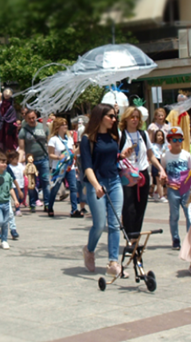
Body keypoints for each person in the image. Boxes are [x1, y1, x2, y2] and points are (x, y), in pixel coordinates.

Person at [80, 104, 126, 277]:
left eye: (115, 117)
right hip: (96, 183)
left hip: (114, 181)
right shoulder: (88, 139)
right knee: (99, 225)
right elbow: (87, 166)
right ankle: (89, 250)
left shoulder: (114, 136)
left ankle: (113, 262)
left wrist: (122, 155)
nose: (114, 120)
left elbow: (111, 157)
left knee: (115, 224)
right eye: (111, 116)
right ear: (100, 117)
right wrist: (96, 185)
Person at [119, 107, 166, 241]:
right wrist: (122, 155)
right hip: (127, 174)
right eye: (132, 117)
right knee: (129, 209)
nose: (135, 120)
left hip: (142, 173)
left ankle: (135, 238)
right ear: (126, 118)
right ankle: (130, 238)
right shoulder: (121, 135)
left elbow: (151, 155)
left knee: (140, 207)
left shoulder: (143, 134)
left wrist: (161, 169)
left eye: (137, 117)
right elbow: (116, 156)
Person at [162, 126, 191, 250]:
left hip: (186, 189)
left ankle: (190, 238)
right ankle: (175, 239)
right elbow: (163, 169)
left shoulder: (186, 155)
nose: (177, 142)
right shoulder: (166, 156)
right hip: (172, 189)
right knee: (174, 215)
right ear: (169, 141)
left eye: (179, 140)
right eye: (173, 140)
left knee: (189, 214)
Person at [46, 117, 81, 218]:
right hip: (59, 167)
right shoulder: (54, 140)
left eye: (66, 124)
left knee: (73, 187)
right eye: (63, 124)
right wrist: (59, 157)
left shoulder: (69, 139)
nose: (65, 126)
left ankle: (74, 210)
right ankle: (50, 206)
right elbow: (50, 154)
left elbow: (73, 151)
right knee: (55, 188)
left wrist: (78, 149)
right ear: (57, 127)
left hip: (70, 166)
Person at [18, 110, 50, 211]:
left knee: (45, 181)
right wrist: (19, 162)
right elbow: (21, 148)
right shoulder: (23, 131)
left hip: (44, 158)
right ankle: (32, 203)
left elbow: (50, 143)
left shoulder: (44, 127)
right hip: (31, 161)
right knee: (32, 183)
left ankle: (47, 203)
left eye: (33, 118)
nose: (32, 120)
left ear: (36, 117)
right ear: (26, 119)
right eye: (29, 118)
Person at [150, 129, 168, 202]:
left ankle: (157, 192)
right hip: (156, 161)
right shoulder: (152, 145)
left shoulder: (165, 146)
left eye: (161, 135)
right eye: (158, 135)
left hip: (163, 161)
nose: (160, 137)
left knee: (164, 180)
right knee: (158, 179)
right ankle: (161, 196)